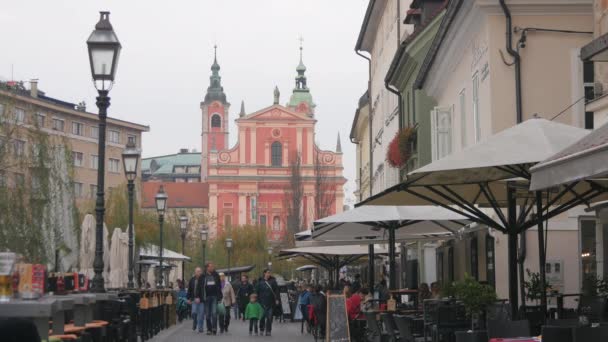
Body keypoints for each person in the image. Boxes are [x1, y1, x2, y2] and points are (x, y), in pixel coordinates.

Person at [256, 269, 279, 336]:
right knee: (262, 317)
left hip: (271, 302)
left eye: (269, 273)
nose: (269, 274)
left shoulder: (273, 281)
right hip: (262, 303)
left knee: (269, 317)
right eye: (268, 273)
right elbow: (257, 292)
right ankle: (262, 329)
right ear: (264, 273)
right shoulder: (260, 282)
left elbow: (276, 291)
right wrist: (257, 301)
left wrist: (277, 299)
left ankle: (268, 330)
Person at [202, 262, 222, 335]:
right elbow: (200, 287)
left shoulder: (216, 275)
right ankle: (209, 329)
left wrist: (220, 297)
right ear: (207, 268)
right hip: (206, 297)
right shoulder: (203, 276)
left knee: (214, 313)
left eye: (213, 266)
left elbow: (219, 286)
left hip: (214, 296)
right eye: (211, 266)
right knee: (207, 315)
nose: (212, 268)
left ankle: (214, 328)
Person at [187, 267, 205, 332]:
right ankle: (195, 322)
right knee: (194, 313)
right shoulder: (192, 280)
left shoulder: (203, 280)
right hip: (194, 299)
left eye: (200, 271)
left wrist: (201, 298)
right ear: (195, 272)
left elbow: (204, 290)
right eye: (197, 271)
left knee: (201, 314)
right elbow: (189, 290)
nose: (199, 272)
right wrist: (188, 298)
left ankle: (200, 328)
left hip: (201, 300)